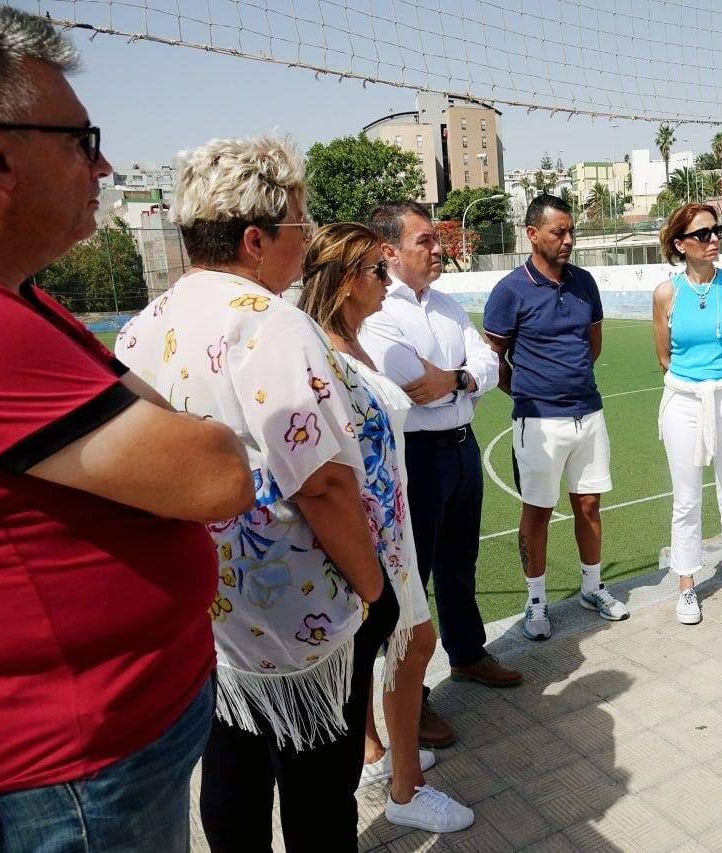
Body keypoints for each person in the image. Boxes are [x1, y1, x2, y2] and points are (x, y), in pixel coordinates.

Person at [0, 10, 253, 849]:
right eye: (80, 139)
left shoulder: (25, 301)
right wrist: (195, 440)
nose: (102, 163)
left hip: (118, 733)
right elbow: (217, 471)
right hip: (80, 767)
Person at [118, 134, 395, 851]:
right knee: (317, 798)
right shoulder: (270, 323)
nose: (305, 244)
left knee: (232, 777)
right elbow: (325, 484)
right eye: (299, 227)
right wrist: (375, 589)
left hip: (209, 611)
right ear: (254, 237)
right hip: (299, 620)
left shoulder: (144, 326)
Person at [299, 222, 474, 833]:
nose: (386, 279)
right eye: (377, 270)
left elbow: (471, 368)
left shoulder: (347, 337)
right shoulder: (324, 346)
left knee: (394, 643)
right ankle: (406, 788)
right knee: (409, 642)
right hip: (369, 524)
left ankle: (384, 758)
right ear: (349, 281)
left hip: (385, 513)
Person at [360, 202, 522, 738]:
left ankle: (467, 654)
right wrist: (463, 379)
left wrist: (454, 381)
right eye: (424, 241)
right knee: (413, 576)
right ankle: (412, 698)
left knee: (460, 560)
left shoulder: (450, 306)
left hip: (460, 446)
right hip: (415, 457)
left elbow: (489, 366)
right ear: (389, 252)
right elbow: (409, 383)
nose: (438, 249)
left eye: (436, 240)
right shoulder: (378, 314)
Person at [485, 193, 630, 640]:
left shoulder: (585, 282)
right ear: (532, 235)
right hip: (538, 421)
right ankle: (535, 601)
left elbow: (593, 343)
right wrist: (532, 390)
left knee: (588, 504)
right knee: (538, 511)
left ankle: (592, 588)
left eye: (571, 232)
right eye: (558, 232)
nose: (568, 240)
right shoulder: (509, 290)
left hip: (588, 413)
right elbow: (494, 358)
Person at [652, 204, 722, 625]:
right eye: (702, 234)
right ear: (680, 244)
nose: (713, 239)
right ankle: (686, 586)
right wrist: (697, 388)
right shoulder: (666, 293)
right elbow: (665, 356)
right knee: (686, 500)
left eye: (717, 231)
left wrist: (721, 384)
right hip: (682, 401)